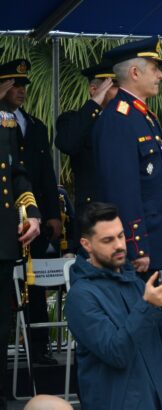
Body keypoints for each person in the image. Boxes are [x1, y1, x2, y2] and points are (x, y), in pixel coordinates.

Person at [65, 202, 162, 410]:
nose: (119, 245)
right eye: (108, 240)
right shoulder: (80, 296)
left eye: (121, 236)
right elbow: (117, 353)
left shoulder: (136, 283)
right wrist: (147, 305)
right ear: (87, 245)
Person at [92, 37, 162, 276]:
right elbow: (122, 190)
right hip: (140, 247)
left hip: (156, 241)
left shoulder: (141, 116)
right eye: (155, 68)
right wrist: (135, 246)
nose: (160, 75)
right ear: (135, 73)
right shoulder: (118, 119)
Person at [0, 58, 61, 365]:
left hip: (27, 219)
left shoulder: (33, 126)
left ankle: (38, 347)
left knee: (33, 286)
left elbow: (40, 175)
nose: (21, 90)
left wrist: (48, 213)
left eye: (24, 85)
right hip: (5, 222)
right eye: (14, 85)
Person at [0, 75, 41, 410]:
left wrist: (32, 212)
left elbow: (16, 173)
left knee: (1, 321)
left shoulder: (7, 122)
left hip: (2, 236)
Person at [55, 60, 118, 239]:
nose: (121, 91)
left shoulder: (124, 121)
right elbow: (67, 143)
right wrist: (95, 103)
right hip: (93, 211)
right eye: (114, 86)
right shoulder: (74, 119)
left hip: (123, 208)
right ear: (94, 89)